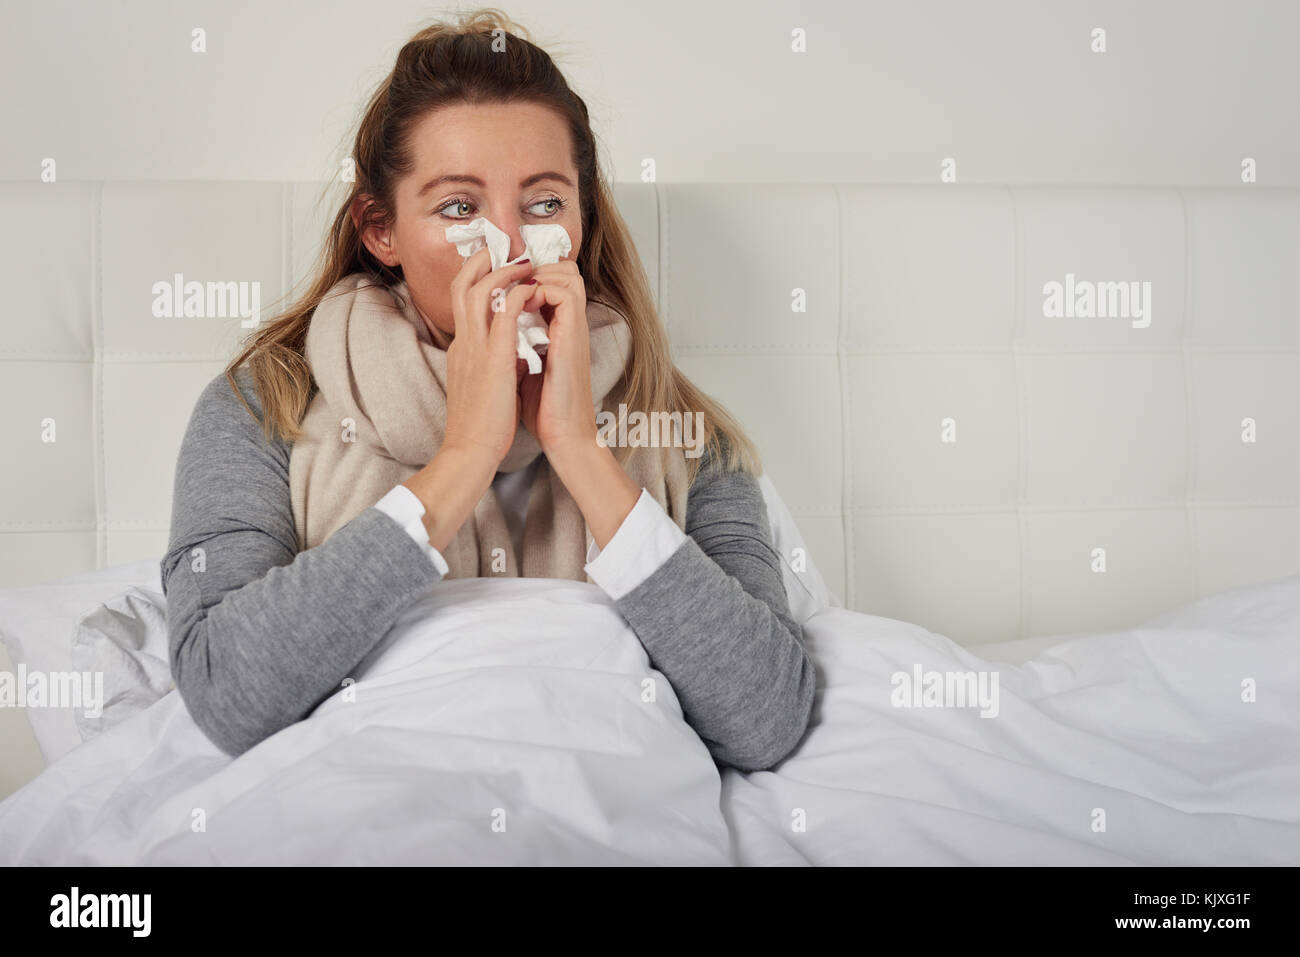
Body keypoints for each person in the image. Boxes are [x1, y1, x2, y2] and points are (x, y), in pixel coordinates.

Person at [162, 8, 815, 772]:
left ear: (582, 218)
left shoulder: (680, 429)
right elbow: (226, 690)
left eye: (543, 205)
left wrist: (581, 450)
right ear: (380, 230)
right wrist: (466, 453)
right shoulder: (261, 407)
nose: (508, 250)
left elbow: (766, 717)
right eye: (459, 208)